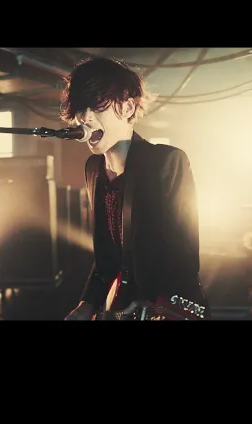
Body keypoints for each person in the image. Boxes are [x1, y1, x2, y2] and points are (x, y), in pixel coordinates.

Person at [60, 56, 210, 320]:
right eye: (81, 107)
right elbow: (108, 254)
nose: (84, 117)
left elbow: (185, 255)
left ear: (128, 107)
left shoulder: (167, 162)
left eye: (97, 105)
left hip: (168, 308)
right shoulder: (93, 168)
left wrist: (151, 304)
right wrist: (87, 303)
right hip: (121, 305)